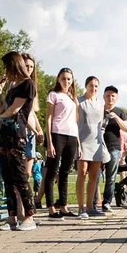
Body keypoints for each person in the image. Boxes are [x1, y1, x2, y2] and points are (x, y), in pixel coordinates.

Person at [0, 51, 38, 232]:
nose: (5, 71)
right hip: (3, 135)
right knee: (7, 177)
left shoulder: (28, 84)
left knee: (20, 176)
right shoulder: (12, 87)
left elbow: (14, 110)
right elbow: (0, 109)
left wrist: (2, 117)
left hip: (16, 135)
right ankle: (11, 218)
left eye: (6, 67)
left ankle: (29, 217)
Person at [44, 68, 80, 218]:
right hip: (57, 134)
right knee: (52, 172)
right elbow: (48, 119)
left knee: (65, 172)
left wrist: (78, 144)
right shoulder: (54, 95)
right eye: (64, 78)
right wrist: (49, 142)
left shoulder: (72, 98)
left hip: (72, 136)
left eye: (69, 79)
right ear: (58, 79)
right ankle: (51, 208)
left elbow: (76, 121)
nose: (66, 81)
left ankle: (64, 206)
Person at [75, 76, 107, 219]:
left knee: (94, 175)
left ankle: (90, 206)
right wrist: (77, 142)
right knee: (82, 173)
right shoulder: (79, 101)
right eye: (91, 85)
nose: (93, 88)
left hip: (96, 142)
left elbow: (101, 123)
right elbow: (75, 122)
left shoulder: (100, 104)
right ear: (86, 86)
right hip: (82, 140)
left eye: (96, 86)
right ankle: (81, 207)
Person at [96, 85, 127, 212]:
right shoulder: (98, 110)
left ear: (116, 97)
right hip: (97, 146)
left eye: (113, 96)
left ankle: (107, 202)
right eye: (108, 96)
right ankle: (93, 202)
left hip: (114, 148)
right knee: (95, 175)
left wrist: (115, 117)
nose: (110, 98)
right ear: (104, 97)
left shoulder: (120, 112)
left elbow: (126, 128)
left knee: (111, 176)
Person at [21, 53, 45, 180]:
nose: (29, 69)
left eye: (31, 66)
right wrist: (35, 131)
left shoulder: (31, 85)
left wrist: (39, 130)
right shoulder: (17, 85)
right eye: (26, 66)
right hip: (21, 130)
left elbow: (31, 111)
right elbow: (20, 112)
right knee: (20, 171)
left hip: (31, 133)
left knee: (27, 173)